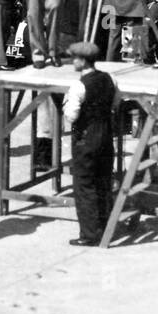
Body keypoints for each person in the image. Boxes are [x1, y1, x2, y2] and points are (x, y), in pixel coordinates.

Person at [63, 41, 117, 246]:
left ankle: (89, 233)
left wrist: (65, 103)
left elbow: (71, 116)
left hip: (86, 138)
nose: (72, 61)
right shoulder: (110, 78)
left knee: (84, 185)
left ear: (82, 60)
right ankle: (105, 226)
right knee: (103, 181)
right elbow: (116, 101)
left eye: (74, 58)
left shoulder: (78, 86)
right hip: (105, 134)